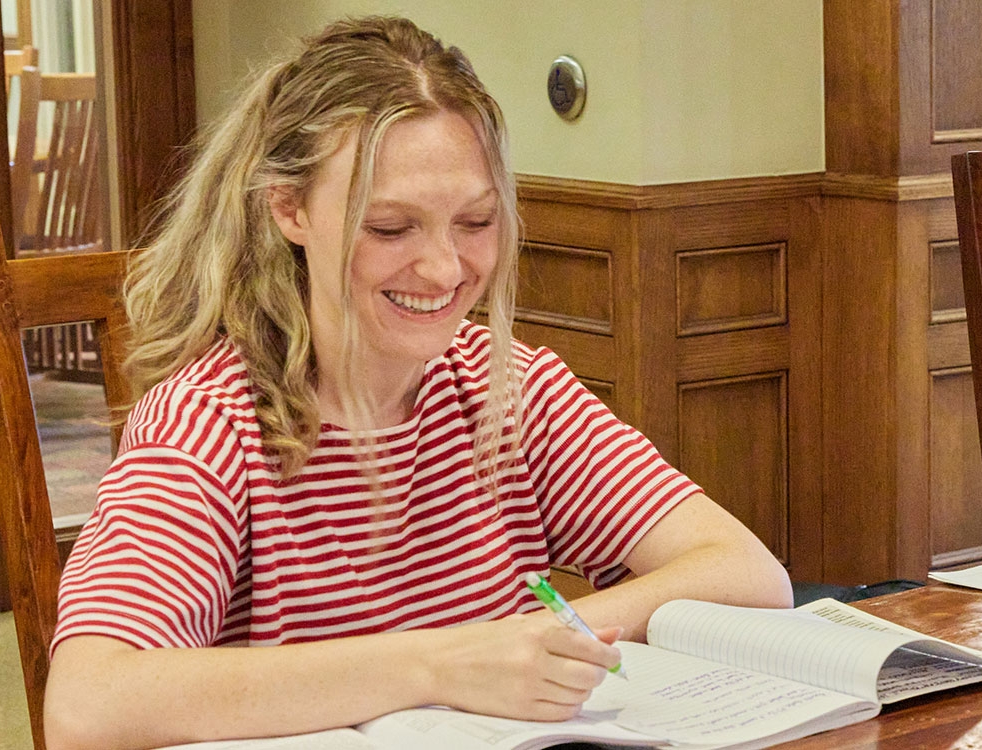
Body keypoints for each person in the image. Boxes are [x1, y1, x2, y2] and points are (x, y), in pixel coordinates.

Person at [43, 17, 791, 749]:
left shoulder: (507, 390)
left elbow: (749, 574)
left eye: (475, 222)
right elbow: (87, 704)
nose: (443, 270)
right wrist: (440, 663)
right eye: (391, 228)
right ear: (288, 209)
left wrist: (528, 643)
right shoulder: (208, 423)